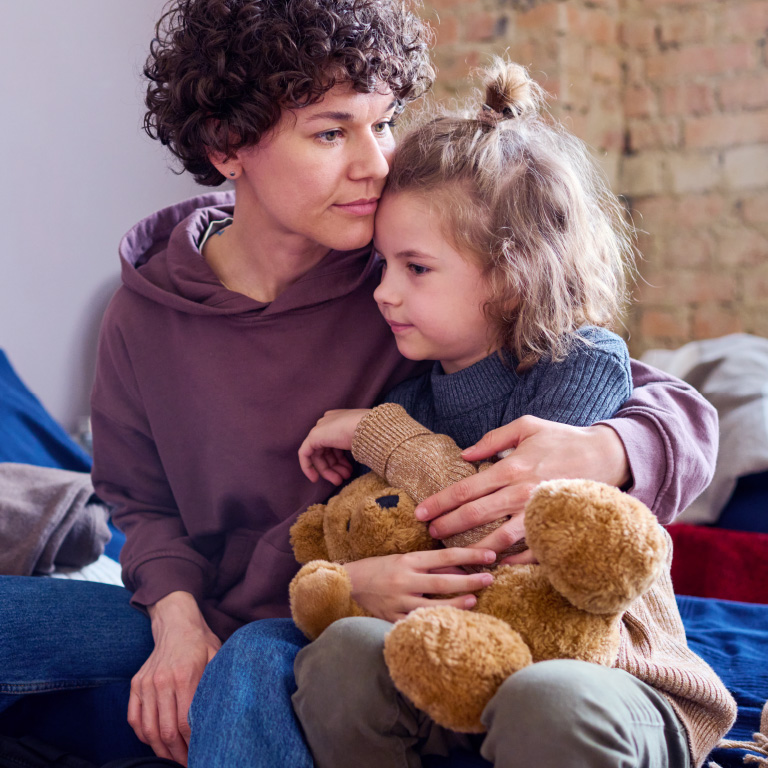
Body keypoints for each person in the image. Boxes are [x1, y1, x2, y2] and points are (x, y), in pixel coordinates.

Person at [0, 2, 720, 767]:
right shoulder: (142, 313)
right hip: (198, 605)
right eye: (331, 131)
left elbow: (636, 387)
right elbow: (138, 503)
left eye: (383, 124)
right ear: (226, 146)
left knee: (249, 664)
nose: (376, 162)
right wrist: (177, 619)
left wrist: (606, 449)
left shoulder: (403, 274)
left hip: (310, 617)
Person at [289, 61, 736, 768]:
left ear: (510, 274)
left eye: (417, 267)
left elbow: (505, 525)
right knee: (342, 653)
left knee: (545, 697)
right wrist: (349, 582)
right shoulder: (410, 399)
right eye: (383, 266)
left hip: (608, 674)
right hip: (463, 666)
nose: (385, 292)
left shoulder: (580, 362)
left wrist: (380, 436)